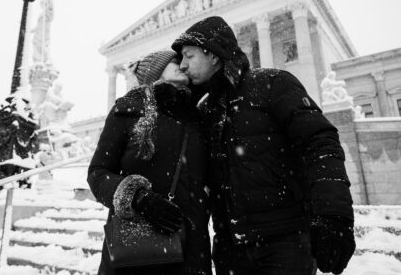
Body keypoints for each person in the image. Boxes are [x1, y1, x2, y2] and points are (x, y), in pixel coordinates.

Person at [171, 16, 355, 275]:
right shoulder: (203, 109)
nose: (183, 65)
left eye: (188, 56)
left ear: (212, 54)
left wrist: (334, 214)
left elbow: (320, 141)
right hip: (228, 248)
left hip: (284, 241)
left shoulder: (273, 84)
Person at [87, 50, 212, 275]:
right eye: (173, 61)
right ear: (155, 71)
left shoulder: (197, 116)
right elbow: (98, 173)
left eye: (183, 60)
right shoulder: (127, 110)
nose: (182, 64)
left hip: (191, 246)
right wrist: (139, 199)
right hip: (139, 244)